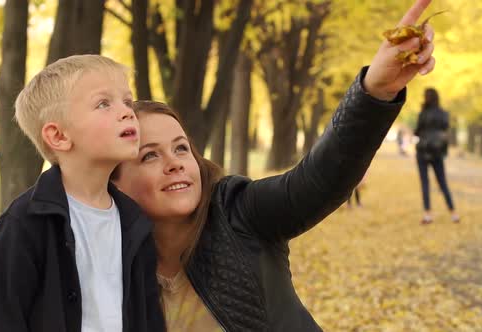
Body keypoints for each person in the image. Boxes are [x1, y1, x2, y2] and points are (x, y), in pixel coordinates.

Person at [111, 1, 438, 330]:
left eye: (182, 148)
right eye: (150, 155)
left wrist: (375, 91)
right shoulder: (106, 267)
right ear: (115, 182)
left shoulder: (238, 212)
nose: (175, 164)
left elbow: (316, 182)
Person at [0, 55, 165, 332]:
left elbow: (149, 318)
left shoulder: (135, 221)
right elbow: (2, 321)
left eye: (127, 101)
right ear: (59, 136)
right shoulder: (24, 225)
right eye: (104, 103)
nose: (128, 112)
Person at [414, 87, 459, 224]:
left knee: (425, 183)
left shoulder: (423, 113)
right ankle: (453, 213)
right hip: (437, 151)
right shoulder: (444, 113)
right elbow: (445, 128)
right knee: (442, 182)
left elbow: (417, 131)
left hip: (422, 150)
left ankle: (428, 214)